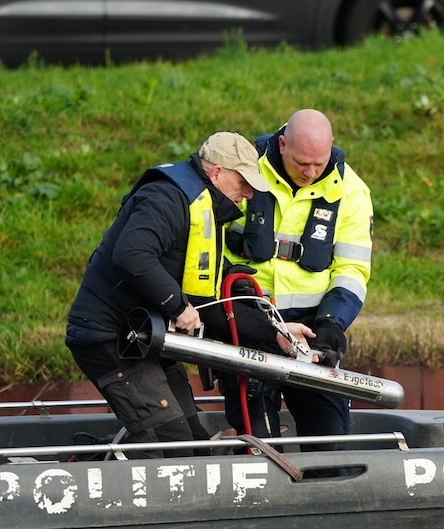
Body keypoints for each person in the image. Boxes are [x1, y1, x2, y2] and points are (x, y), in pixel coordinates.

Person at [65, 131, 310, 458]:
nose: (249, 194)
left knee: (191, 438)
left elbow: (210, 305)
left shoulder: (205, 208)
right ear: (217, 173)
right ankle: (84, 465)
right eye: (244, 183)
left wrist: (274, 330)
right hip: (110, 337)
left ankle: (96, 459)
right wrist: (177, 306)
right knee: (171, 442)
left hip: (147, 338)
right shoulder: (167, 198)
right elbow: (132, 254)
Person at [220, 109, 374, 448]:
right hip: (250, 320)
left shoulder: (351, 191)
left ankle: (326, 493)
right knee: (257, 439)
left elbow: (352, 270)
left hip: (312, 329)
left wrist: (332, 327)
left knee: (329, 434)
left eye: (318, 164)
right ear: (282, 143)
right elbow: (210, 247)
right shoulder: (244, 172)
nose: (310, 172)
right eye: (302, 162)